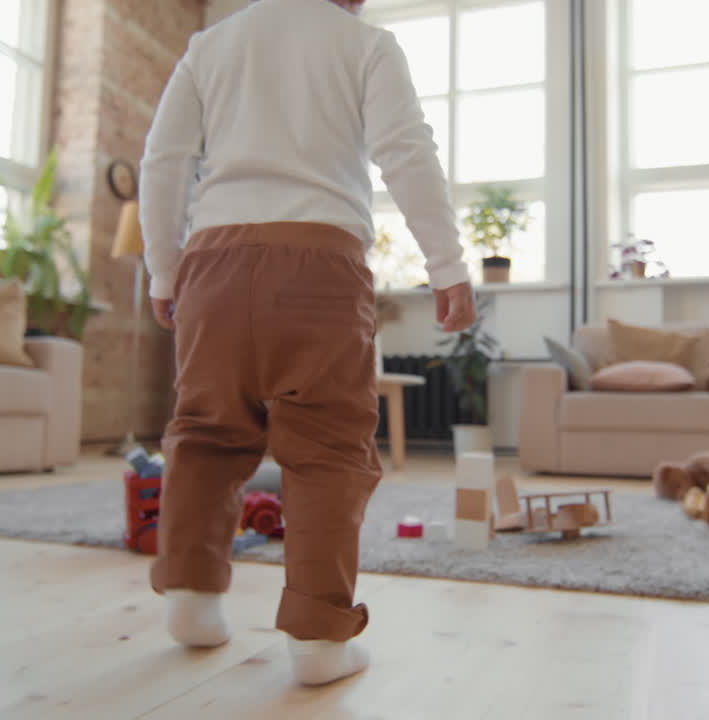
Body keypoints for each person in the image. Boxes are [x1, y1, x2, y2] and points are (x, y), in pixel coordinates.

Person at [139, 0, 476, 687]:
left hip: (212, 266)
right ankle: (320, 640)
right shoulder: (365, 44)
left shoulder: (210, 45)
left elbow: (164, 158)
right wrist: (446, 265)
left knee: (205, 430)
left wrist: (163, 267)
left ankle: (192, 598)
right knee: (326, 449)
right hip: (321, 265)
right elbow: (405, 151)